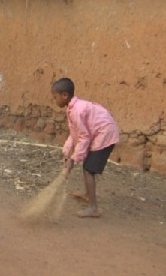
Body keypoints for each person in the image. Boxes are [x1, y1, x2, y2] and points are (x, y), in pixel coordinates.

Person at [51, 78, 120, 218]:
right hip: (100, 133)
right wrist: (66, 151)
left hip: (105, 135)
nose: (54, 100)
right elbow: (74, 133)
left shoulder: (76, 111)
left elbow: (84, 137)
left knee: (89, 169)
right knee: (87, 166)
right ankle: (89, 195)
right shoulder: (72, 108)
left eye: (55, 97)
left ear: (64, 95)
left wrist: (74, 159)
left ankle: (93, 208)